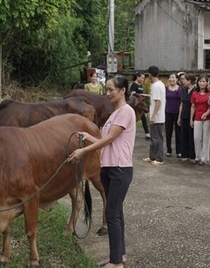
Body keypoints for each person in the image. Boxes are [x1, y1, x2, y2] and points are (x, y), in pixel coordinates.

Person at [67, 75, 135, 268]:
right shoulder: (115, 113)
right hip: (109, 167)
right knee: (117, 213)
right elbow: (106, 141)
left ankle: (116, 263)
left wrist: (83, 151)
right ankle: (119, 255)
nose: (108, 93)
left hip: (119, 169)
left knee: (111, 213)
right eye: (107, 89)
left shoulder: (126, 111)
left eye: (111, 89)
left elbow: (110, 139)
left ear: (122, 91)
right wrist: (89, 137)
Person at [143, 65, 166, 165]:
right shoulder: (160, 84)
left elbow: (158, 102)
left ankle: (159, 158)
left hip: (157, 116)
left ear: (150, 75)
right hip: (157, 115)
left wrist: (153, 115)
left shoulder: (156, 86)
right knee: (154, 137)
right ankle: (152, 156)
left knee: (157, 138)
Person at [190, 75, 210, 165]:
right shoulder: (194, 93)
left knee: (206, 138)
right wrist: (191, 119)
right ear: (197, 82)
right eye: (200, 81)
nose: (202, 83)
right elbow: (193, 107)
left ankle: (204, 158)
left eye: (204, 81)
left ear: (207, 83)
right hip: (197, 117)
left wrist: (207, 113)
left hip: (207, 118)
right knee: (196, 138)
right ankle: (197, 156)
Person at [178, 74, 196, 161]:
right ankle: (184, 154)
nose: (183, 81)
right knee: (183, 135)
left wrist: (191, 119)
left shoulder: (195, 90)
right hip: (184, 115)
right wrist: (179, 117)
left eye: (184, 80)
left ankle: (192, 155)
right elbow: (181, 104)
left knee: (191, 135)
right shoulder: (184, 90)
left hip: (192, 116)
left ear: (189, 81)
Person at [165, 73, 182, 157]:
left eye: (173, 77)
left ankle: (179, 150)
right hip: (168, 112)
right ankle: (169, 150)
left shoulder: (180, 89)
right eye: (170, 77)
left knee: (178, 132)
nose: (171, 79)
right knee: (168, 131)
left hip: (177, 112)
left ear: (177, 79)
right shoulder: (166, 89)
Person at [130, 71, 150, 140]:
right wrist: (141, 95)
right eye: (142, 78)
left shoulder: (140, 85)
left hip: (141, 104)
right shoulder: (134, 85)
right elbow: (133, 94)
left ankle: (147, 133)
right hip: (136, 105)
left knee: (143, 118)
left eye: (143, 78)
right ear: (138, 77)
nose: (143, 80)